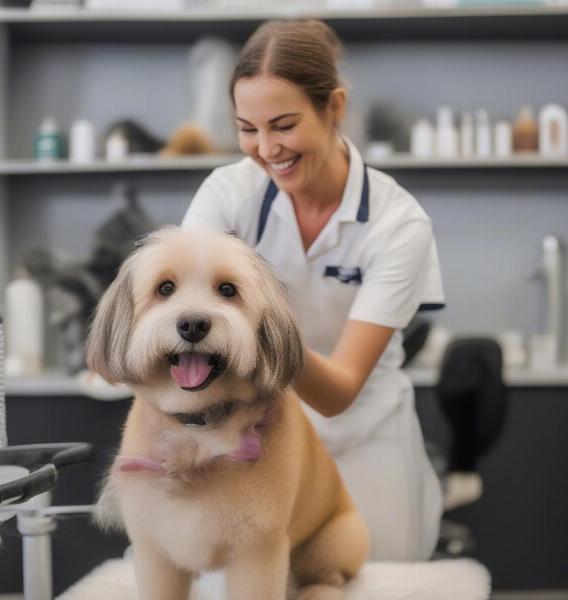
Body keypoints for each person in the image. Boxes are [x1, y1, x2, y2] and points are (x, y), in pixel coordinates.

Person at [182, 19, 445, 562]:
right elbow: (183, 302)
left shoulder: (398, 224)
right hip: (253, 431)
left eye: (283, 125)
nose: (266, 148)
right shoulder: (228, 194)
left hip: (363, 435)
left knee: (375, 581)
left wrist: (253, 324)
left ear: (335, 107)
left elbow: (338, 391)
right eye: (247, 128)